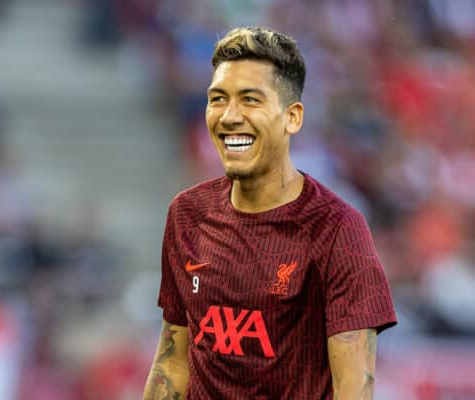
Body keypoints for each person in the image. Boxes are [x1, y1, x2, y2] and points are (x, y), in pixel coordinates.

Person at [143, 26, 397, 400]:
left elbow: (354, 386)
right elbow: (173, 364)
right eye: (218, 98)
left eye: (250, 100)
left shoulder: (338, 229)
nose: (229, 116)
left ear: (292, 118)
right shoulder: (187, 215)